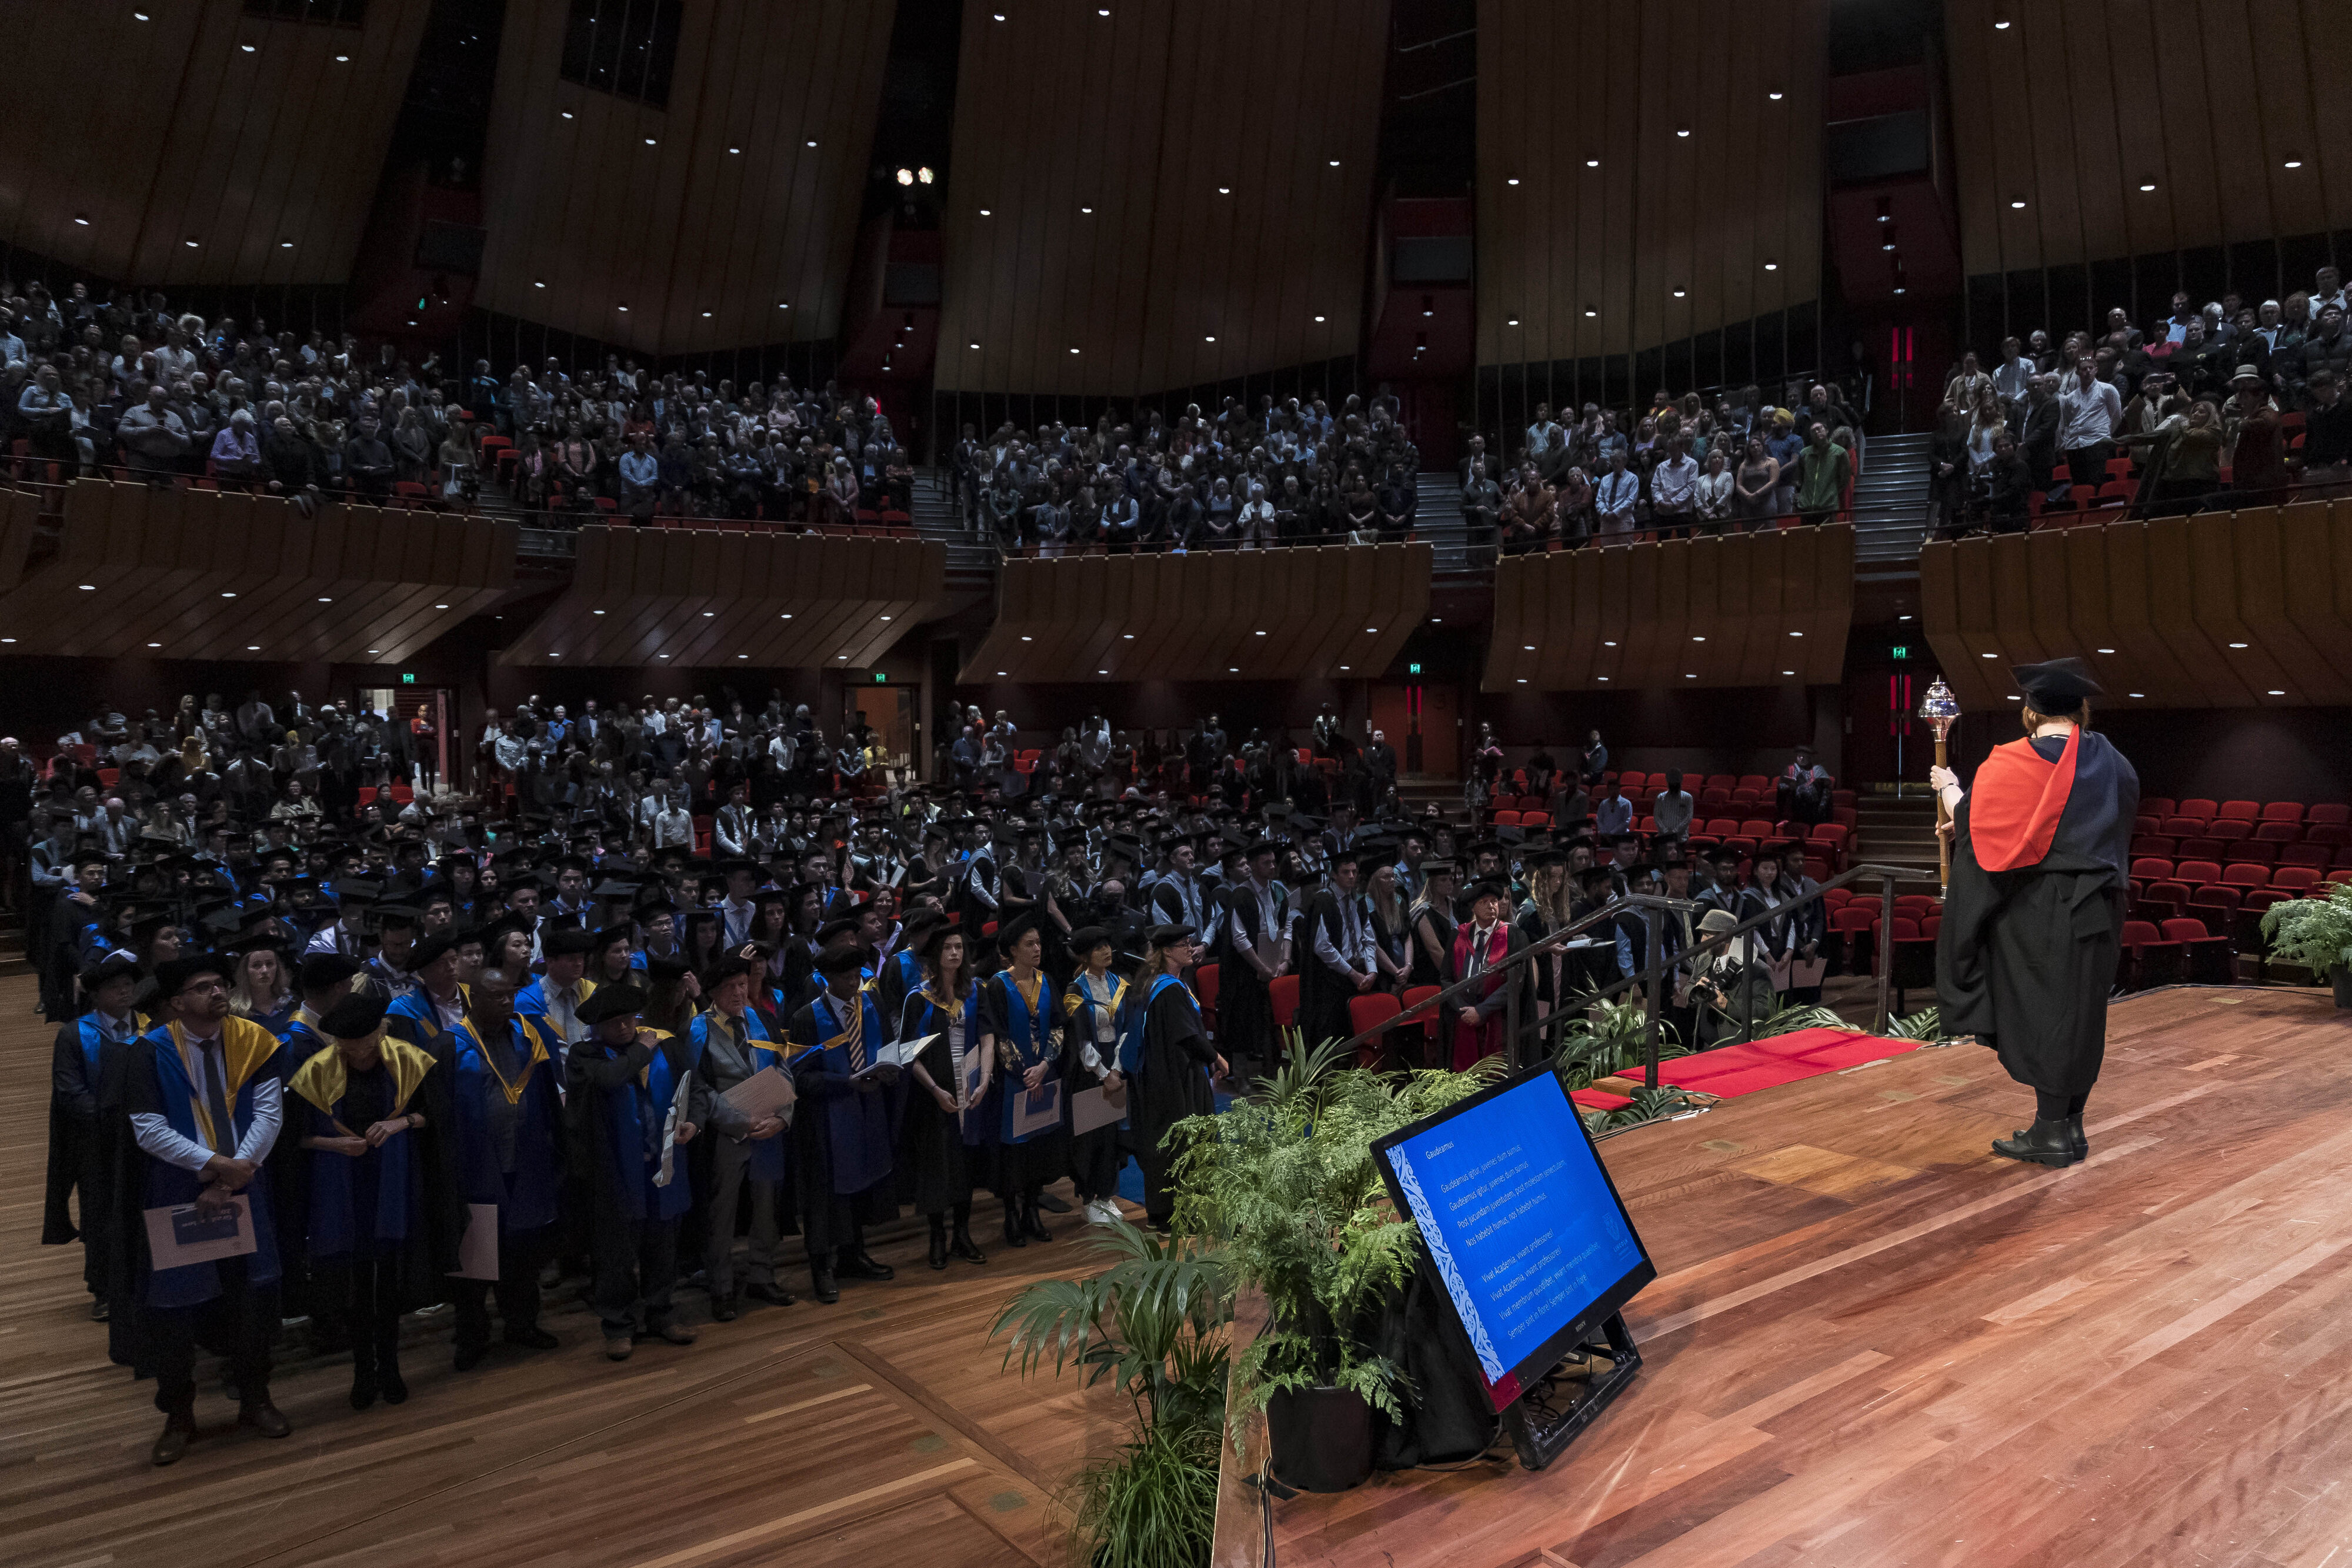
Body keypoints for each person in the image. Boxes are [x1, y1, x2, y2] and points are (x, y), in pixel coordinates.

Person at [1934, 658, 2137, 1167]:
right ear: (2082, 709)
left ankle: (2049, 1132)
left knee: (2042, 1012)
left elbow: (1990, 831)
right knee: (2082, 1014)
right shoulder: (2112, 761)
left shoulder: (2010, 762)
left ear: (2029, 711)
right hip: (2100, 905)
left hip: (2036, 910)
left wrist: (1949, 793)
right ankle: (2069, 1127)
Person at [120, 953, 291, 1466]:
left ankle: (256, 1398)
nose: (217, 993)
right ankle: (179, 1416)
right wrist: (217, 1165)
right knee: (176, 1312)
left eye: (220, 984)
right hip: (178, 1191)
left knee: (250, 1302)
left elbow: (268, 1112)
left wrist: (236, 1171)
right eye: (202, 988)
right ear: (176, 1003)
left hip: (243, 1188)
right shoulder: (147, 1053)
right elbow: (148, 1129)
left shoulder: (254, 1040)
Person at [283, 992, 458, 1410]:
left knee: (391, 1282)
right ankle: (363, 1371)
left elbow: (437, 1118)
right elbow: (292, 1141)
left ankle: (392, 1367)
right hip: (342, 1188)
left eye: (368, 1045)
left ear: (381, 1032)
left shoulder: (409, 1061)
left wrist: (401, 1121)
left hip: (396, 1184)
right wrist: (332, 1142)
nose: (361, 1055)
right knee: (357, 1286)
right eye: (350, 1049)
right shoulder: (315, 1073)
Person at [567, 982, 706, 1359]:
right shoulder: (585, 1056)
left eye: (629, 1020)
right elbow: (612, 1079)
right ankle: (618, 1325)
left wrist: (693, 1121)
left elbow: (695, 1089)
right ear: (597, 1027)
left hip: (663, 1166)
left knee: (663, 1246)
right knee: (616, 1253)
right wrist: (643, 1049)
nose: (624, 1028)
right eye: (614, 1023)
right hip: (615, 1171)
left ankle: (661, 1314)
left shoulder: (668, 1047)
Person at [448, 963, 565, 1370]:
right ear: (472, 999)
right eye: (496, 996)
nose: (505, 1002)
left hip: (526, 1162)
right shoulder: (451, 1044)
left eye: (509, 995)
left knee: (523, 1255)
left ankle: (522, 1324)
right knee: (475, 1261)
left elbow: (549, 1097)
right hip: (478, 1168)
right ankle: (472, 1337)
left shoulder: (526, 1035)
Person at [786, 941, 900, 1302]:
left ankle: (853, 1255)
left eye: (858, 976)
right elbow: (799, 1078)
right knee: (824, 1196)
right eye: (848, 978)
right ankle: (821, 1267)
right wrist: (845, 1084)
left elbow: (888, 1049)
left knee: (861, 1186)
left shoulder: (872, 1003)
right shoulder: (807, 1018)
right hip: (825, 1119)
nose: (856, 984)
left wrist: (891, 1071)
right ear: (828, 978)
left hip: (868, 1112)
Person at [689, 953, 792, 1319]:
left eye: (743, 984)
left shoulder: (762, 1019)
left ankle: (763, 1275)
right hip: (728, 1137)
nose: (739, 992)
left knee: (767, 1209)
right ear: (714, 992)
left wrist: (783, 1116)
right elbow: (699, 1090)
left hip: (769, 1130)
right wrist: (738, 1123)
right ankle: (721, 1286)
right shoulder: (700, 1029)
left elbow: (784, 1068)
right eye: (730, 986)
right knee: (723, 1213)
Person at [44, 952, 144, 1321]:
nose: (123, 992)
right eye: (114, 987)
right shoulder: (75, 1034)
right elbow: (70, 1093)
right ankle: (103, 1288)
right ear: (96, 995)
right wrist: (113, 1120)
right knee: (102, 1215)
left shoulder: (148, 1027)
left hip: (148, 1137)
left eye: (128, 985)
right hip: (98, 1143)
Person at [895, 922, 989, 1267]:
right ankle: (937, 1236)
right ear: (935, 957)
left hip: (969, 1089)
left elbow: (988, 1035)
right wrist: (935, 1090)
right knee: (937, 1165)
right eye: (947, 948)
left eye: (959, 947)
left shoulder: (975, 991)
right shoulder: (918, 998)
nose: (954, 953)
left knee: (965, 1164)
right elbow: (907, 1053)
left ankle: (962, 1234)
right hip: (932, 1093)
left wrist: (985, 1080)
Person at [1123, 923, 1221, 1231]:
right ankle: (1183, 1217)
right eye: (1184, 944)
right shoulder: (1170, 990)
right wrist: (1217, 1058)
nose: (1191, 948)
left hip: (1156, 1076)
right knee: (1181, 1145)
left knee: (1162, 1144)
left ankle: (1160, 1215)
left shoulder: (1151, 984)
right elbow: (1189, 1036)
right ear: (1167, 951)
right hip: (1176, 1079)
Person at [978, 910, 1066, 1247]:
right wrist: (1023, 1072)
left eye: (1039, 942)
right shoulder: (998, 986)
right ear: (1012, 950)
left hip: (1044, 1078)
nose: (1037, 948)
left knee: (1040, 1148)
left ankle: (1033, 1211)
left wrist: (1044, 1065)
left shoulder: (1048, 981)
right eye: (1029, 943)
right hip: (1015, 1083)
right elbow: (997, 1036)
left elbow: (1058, 1026)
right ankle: (1011, 1217)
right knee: (1015, 1153)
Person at [1059, 926, 1130, 1226]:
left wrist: (1117, 1069)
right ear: (1086, 955)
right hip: (1089, 1072)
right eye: (1099, 948)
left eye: (1108, 946)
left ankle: (1106, 1196)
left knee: (1111, 1136)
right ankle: (1089, 1200)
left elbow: (1126, 1029)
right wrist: (1103, 1073)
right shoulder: (1075, 990)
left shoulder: (1119, 984)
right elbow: (1080, 1039)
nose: (1107, 952)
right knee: (1091, 1138)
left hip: (1116, 1065)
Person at [1299, 848, 1379, 1049]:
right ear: (1334, 875)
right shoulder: (1323, 901)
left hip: (1359, 974)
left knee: (1354, 1033)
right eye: (1346, 872)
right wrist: (1352, 973)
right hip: (1332, 979)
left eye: (1354, 871)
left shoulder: (1359, 900)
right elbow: (1323, 947)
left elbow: (1368, 939)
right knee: (1331, 1035)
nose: (1352, 876)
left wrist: (1372, 970)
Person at [1447, 879, 1526, 1069]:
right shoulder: (1458, 936)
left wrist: (1482, 1010)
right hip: (1464, 1018)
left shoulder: (1513, 935)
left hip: (1499, 1018)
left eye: (1494, 901)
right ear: (1473, 907)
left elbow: (1517, 980)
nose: (1491, 906)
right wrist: (1464, 1010)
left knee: (1496, 1075)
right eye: (1484, 902)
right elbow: (1446, 978)